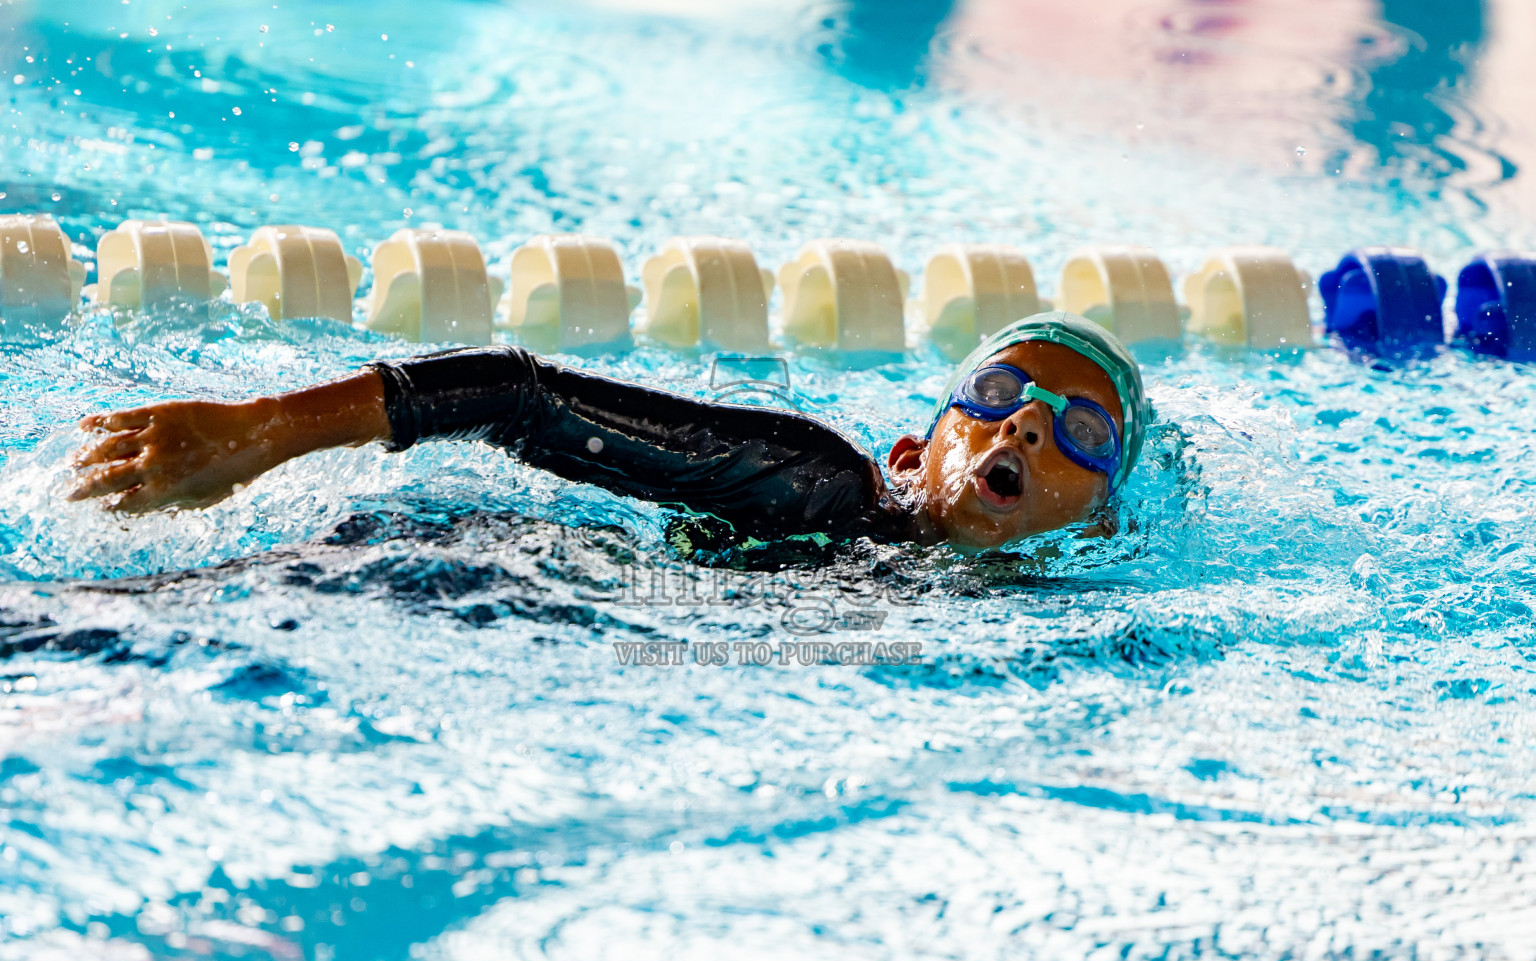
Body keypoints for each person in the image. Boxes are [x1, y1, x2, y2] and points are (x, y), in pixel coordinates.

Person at [67, 311, 1151, 552]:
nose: (1028, 423)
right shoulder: (821, 487)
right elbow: (517, 395)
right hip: (462, 584)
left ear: (1099, 523)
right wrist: (259, 433)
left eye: (1085, 432)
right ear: (917, 449)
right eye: (1001, 387)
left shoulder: (1080, 628)